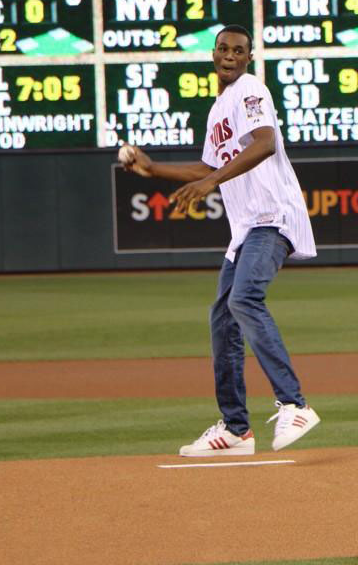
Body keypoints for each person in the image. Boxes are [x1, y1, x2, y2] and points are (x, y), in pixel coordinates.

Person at [120, 24, 320, 456]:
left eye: (238, 50)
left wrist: (211, 182)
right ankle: (236, 430)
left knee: (244, 299)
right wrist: (153, 169)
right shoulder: (218, 109)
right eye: (223, 48)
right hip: (246, 229)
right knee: (223, 318)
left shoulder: (251, 89)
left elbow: (265, 144)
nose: (229, 55)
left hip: (273, 217)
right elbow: (205, 167)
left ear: (249, 58)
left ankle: (295, 403)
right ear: (213, 54)